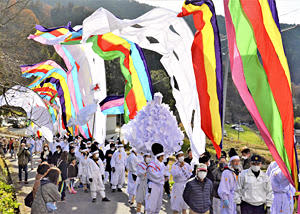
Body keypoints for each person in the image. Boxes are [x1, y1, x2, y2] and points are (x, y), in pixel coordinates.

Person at [218, 148, 240, 214]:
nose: (237, 163)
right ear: (231, 162)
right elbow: (223, 186)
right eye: (235, 161)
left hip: (237, 199)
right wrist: (225, 198)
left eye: (238, 161)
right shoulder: (226, 173)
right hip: (229, 198)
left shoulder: (239, 172)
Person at [145, 143, 166, 214]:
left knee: (158, 205)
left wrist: (165, 176)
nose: (163, 158)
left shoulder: (162, 164)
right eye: (162, 156)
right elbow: (156, 176)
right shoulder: (151, 165)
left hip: (160, 186)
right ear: (158, 156)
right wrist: (163, 174)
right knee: (151, 205)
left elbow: (166, 175)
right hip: (153, 186)